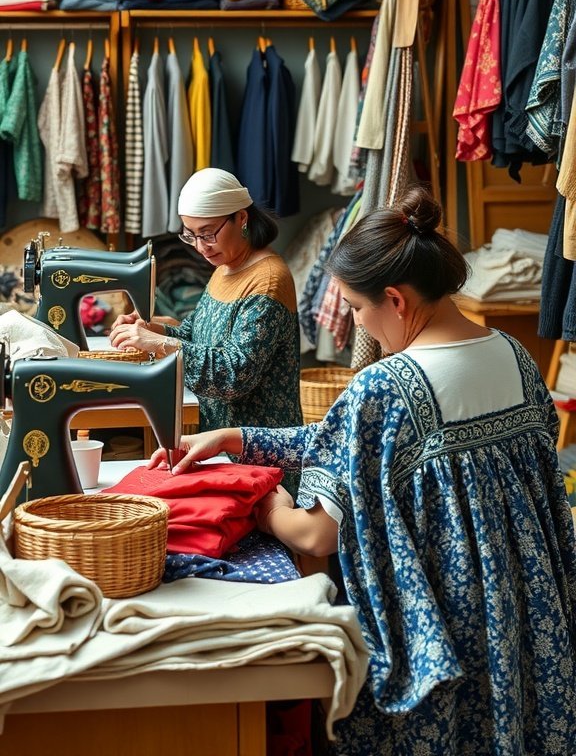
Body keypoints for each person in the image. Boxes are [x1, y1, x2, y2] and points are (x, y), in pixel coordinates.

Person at [148, 184, 576, 755]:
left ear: (395, 300)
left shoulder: (385, 385)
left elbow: (315, 534)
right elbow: (369, 442)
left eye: (354, 307)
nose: (356, 324)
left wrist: (262, 495)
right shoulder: (515, 357)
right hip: (527, 608)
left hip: (444, 621)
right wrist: (238, 438)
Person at [110, 167, 302, 434]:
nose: (200, 246)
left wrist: (160, 344)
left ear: (242, 219)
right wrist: (153, 329)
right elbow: (196, 332)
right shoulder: (227, 265)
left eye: (208, 233)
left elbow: (234, 375)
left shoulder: (267, 281)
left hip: (257, 447)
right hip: (222, 439)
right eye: (191, 234)